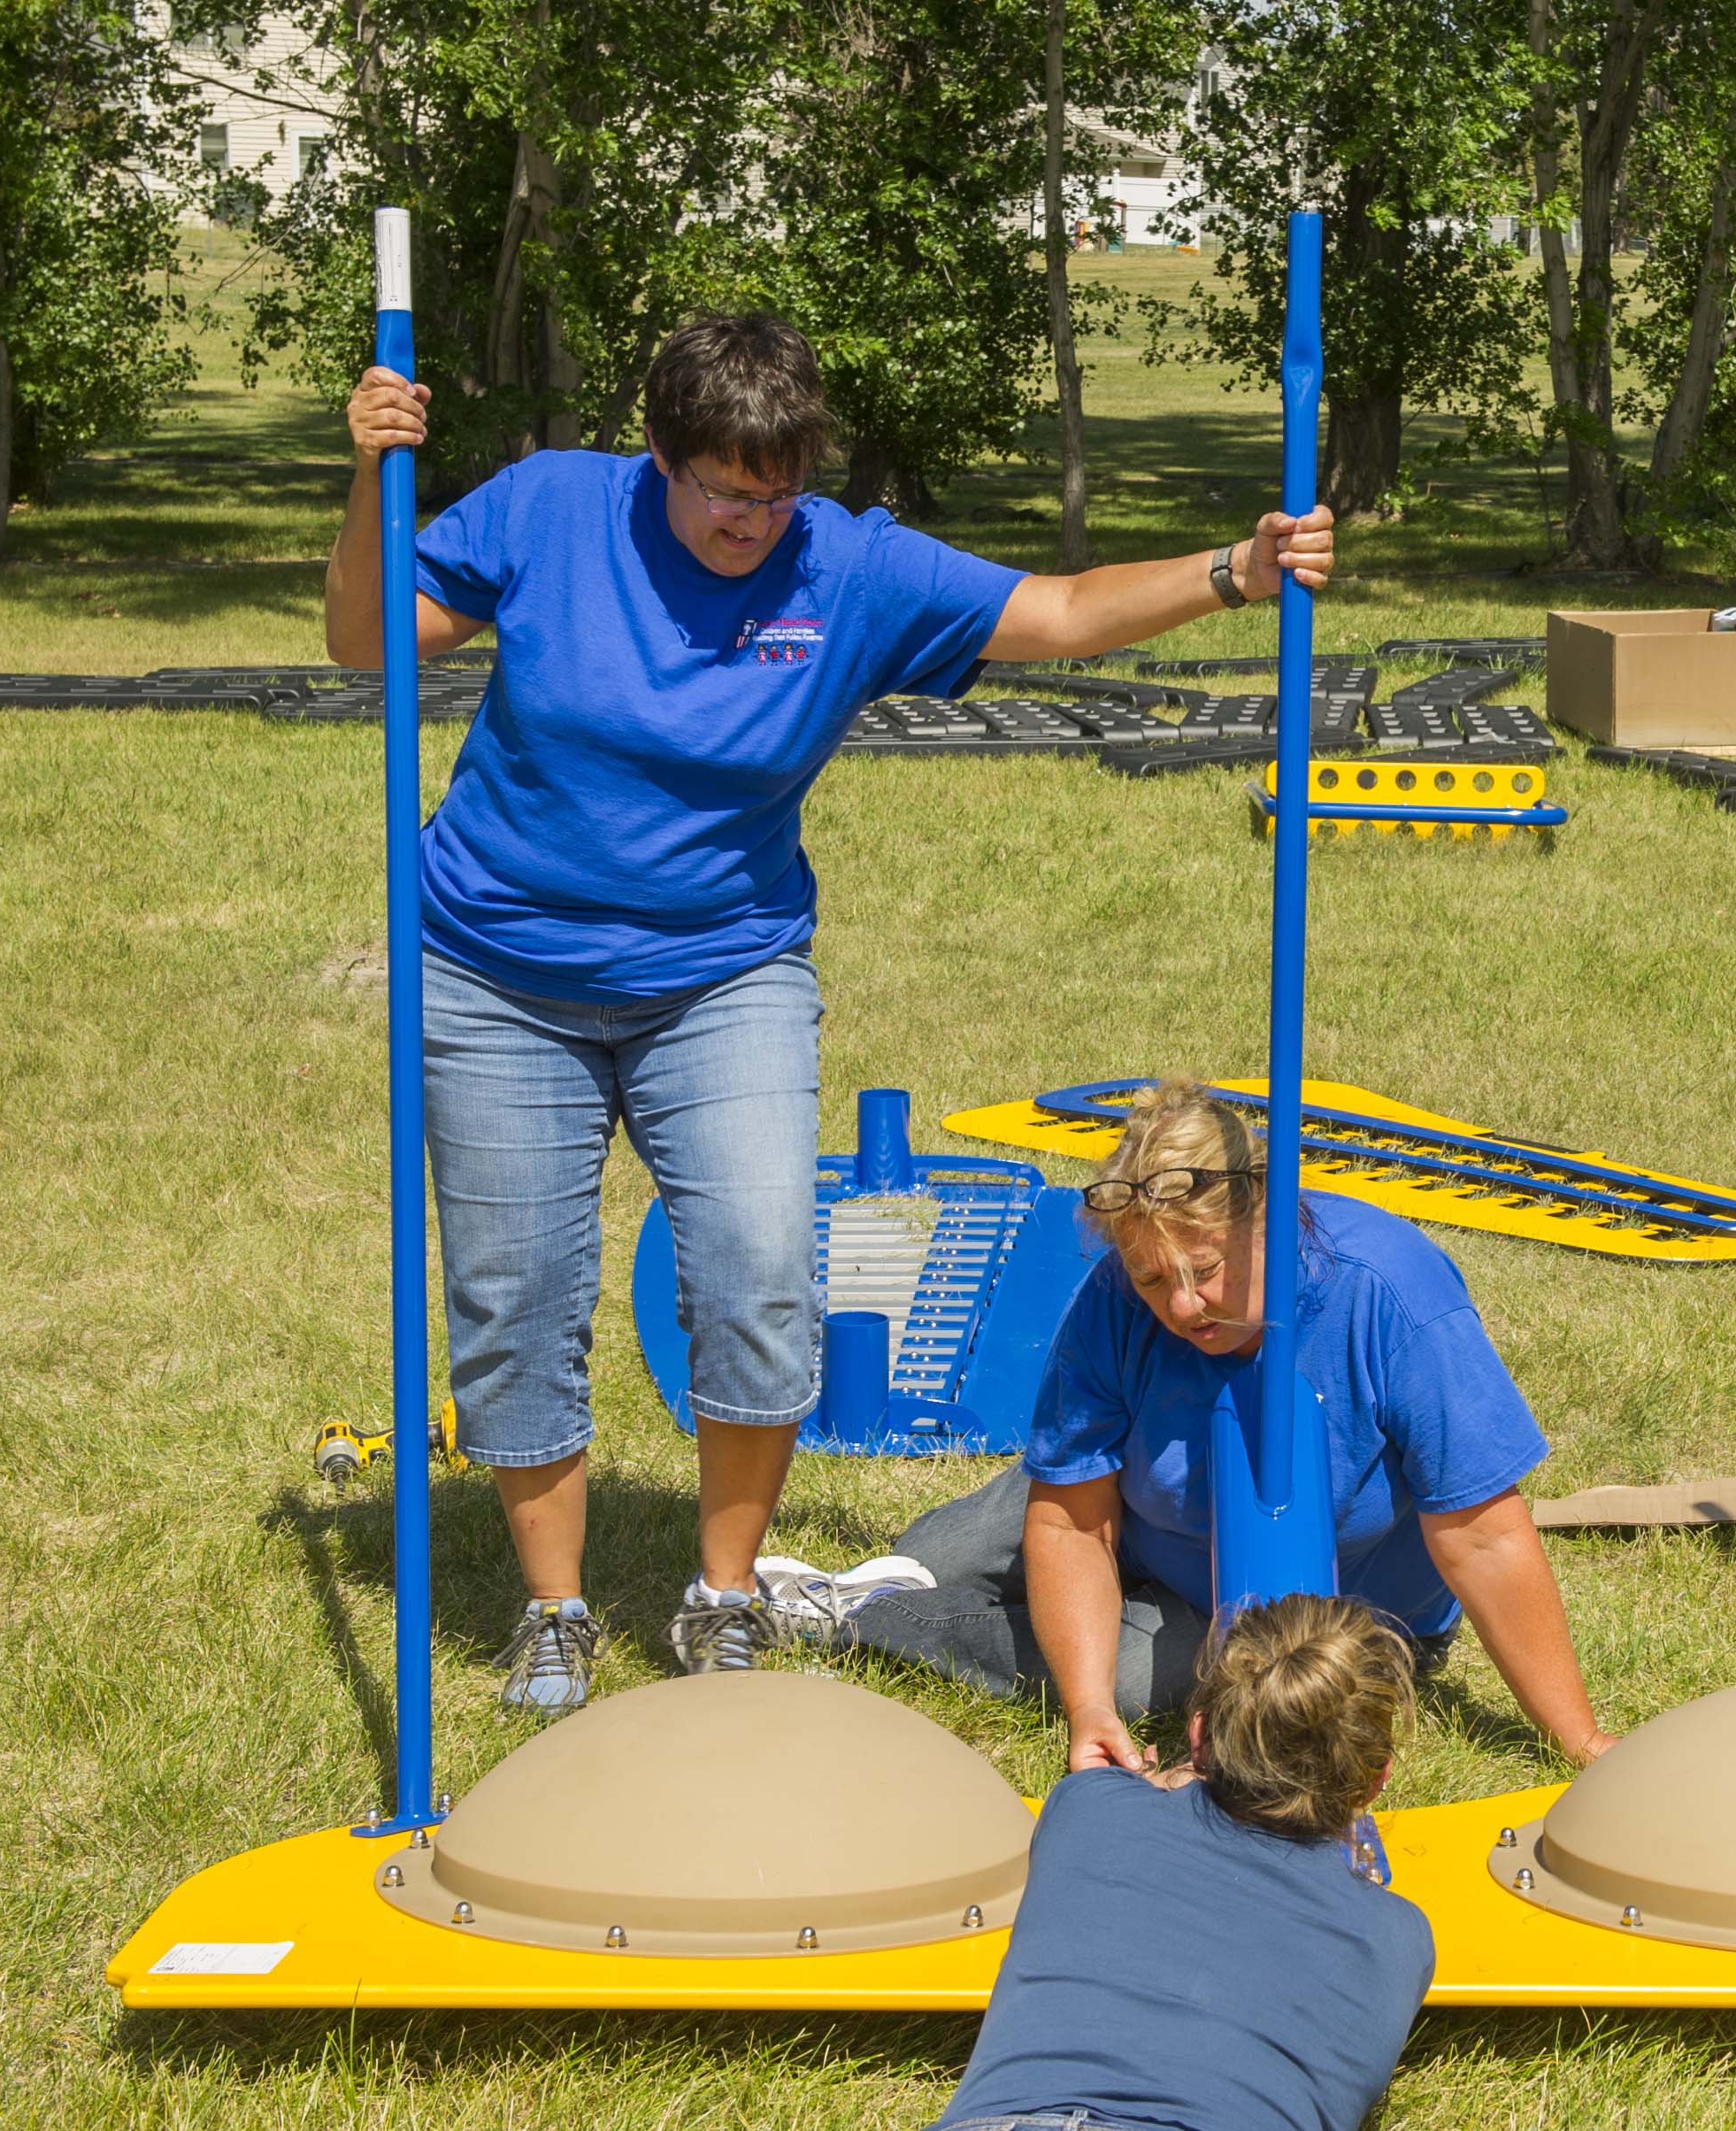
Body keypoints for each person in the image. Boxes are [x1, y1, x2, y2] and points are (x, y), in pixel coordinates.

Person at [326, 317, 1334, 1712]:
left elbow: (1053, 609)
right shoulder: (555, 506)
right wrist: (366, 480)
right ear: (658, 461)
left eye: (776, 494)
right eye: (723, 493)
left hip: (724, 970)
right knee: (514, 1297)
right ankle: (554, 1611)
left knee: (759, 1264)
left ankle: (721, 1597)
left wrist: (1236, 571)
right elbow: (364, 637)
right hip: (497, 970)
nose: (751, 522)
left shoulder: (844, 563)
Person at [848, 1079, 1617, 1771]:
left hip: (1298, 1610)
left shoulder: (1390, 1294)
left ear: (1270, 1221)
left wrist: (1580, 1740)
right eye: (1152, 1277)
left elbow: (1485, 1537)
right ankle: (904, 1579)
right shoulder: (1112, 1299)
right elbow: (1074, 1526)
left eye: (1206, 1271)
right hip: (1135, 1501)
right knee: (932, 1553)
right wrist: (1084, 1714)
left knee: (1126, 1676)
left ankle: (853, 1615)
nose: (1181, 1307)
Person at [930, 1593, 1433, 2131]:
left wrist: (1160, 1780)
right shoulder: (1396, 1939)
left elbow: (1126, 1801)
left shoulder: (1088, 1809)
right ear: (1378, 1775)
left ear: (1197, 1736)